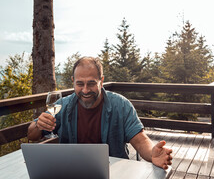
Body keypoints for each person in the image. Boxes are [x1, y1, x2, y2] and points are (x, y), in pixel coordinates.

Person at [27, 56, 172, 169]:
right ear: (73, 81)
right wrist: (39, 126)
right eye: (79, 84)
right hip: (72, 171)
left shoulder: (121, 105)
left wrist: (152, 152)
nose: (85, 90)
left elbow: (140, 140)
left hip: (114, 172)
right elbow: (32, 135)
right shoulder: (61, 106)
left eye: (91, 83)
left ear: (101, 81)